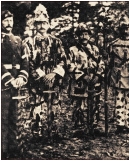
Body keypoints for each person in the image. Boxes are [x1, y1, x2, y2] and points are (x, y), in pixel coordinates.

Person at [23, 4, 66, 135]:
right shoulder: (28, 42)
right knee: (37, 105)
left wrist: (53, 73)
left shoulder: (56, 41)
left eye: (44, 23)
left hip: (53, 78)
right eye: (38, 23)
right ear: (34, 25)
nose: (41, 26)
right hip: (37, 79)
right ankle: (38, 132)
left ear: (48, 24)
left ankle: (53, 131)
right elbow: (27, 62)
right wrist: (41, 75)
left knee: (54, 105)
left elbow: (63, 59)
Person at [1, 10, 29, 159]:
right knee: (2, 118)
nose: (8, 23)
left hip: (16, 86)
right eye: (5, 20)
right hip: (2, 86)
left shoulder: (19, 40)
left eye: (10, 20)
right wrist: (9, 79)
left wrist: (21, 78)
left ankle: (13, 149)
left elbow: (25, 62)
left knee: (14, 117)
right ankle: (2, 151)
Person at [67, 22, 105, 129]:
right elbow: (69, 65)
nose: (84, 37)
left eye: (86, 34)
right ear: (78, 36)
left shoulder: (95, 49)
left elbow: (101, 63)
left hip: (94, 80)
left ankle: (93, 125)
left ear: (89, 35)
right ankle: (80, 126)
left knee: (95, 102)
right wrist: (83, 76)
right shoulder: (73, 50)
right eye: (81, 34)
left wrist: (98, 75)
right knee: (79, 103)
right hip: (80, 81)